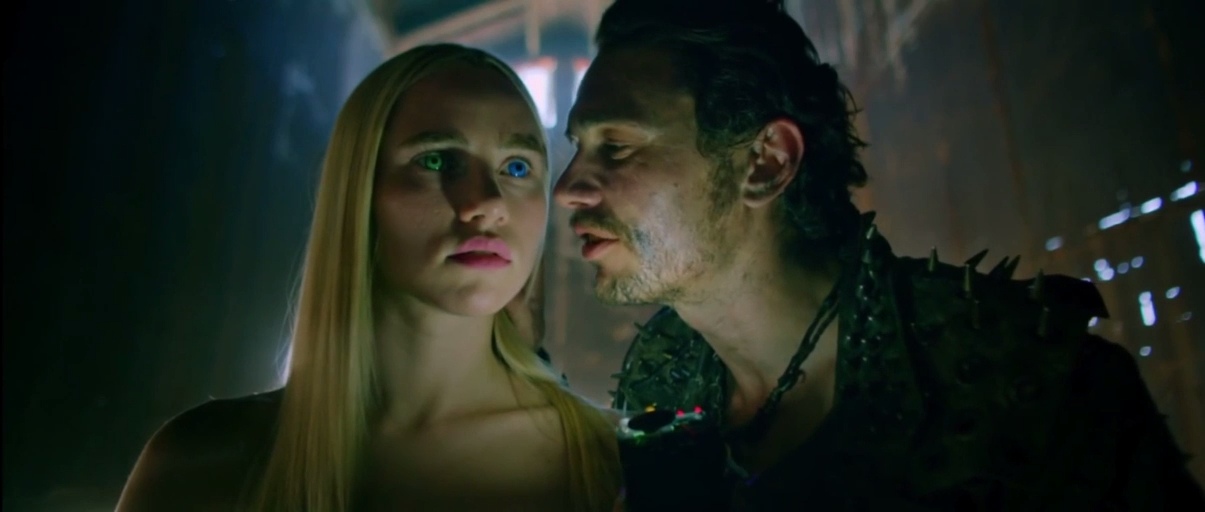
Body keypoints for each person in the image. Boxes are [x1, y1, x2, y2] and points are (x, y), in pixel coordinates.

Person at [556, 0, 1205, 509]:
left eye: (617, 146)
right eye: (579, 146)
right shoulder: (657, 384)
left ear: (765, 163)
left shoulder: (1024, 387)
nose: (568, 188)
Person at [117, 44, 621, 512]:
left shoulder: (611, 465)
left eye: (517, 167)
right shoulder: (200, 462)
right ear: (359, 189)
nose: (487, 202)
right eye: (438, 159)